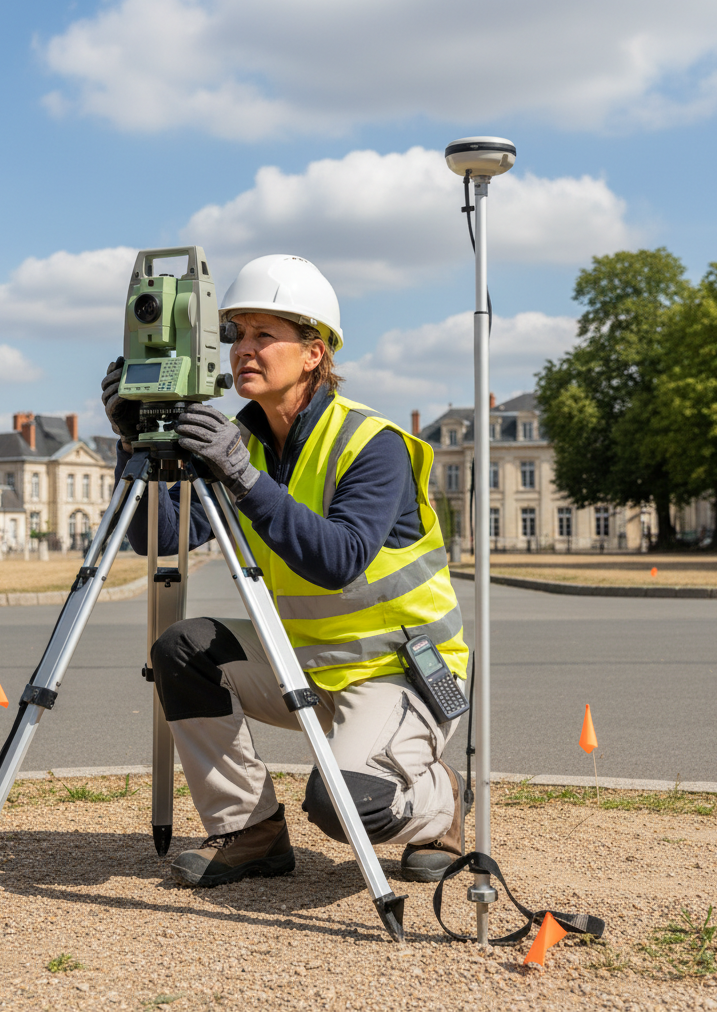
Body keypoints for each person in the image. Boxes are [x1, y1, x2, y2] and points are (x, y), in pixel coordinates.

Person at [101, 254, 469, 888]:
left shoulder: (371, 444)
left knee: (345, 808)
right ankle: (251, 830)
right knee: (183, 650)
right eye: (236, 334)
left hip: (396, 672)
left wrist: (240, 478)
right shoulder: (237, 441)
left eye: (264, 335)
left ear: (314, 353)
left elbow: (338, 560)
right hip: (302, 662)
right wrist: (133, 443)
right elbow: (158, 538)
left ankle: (440, 805)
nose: (243, 349)